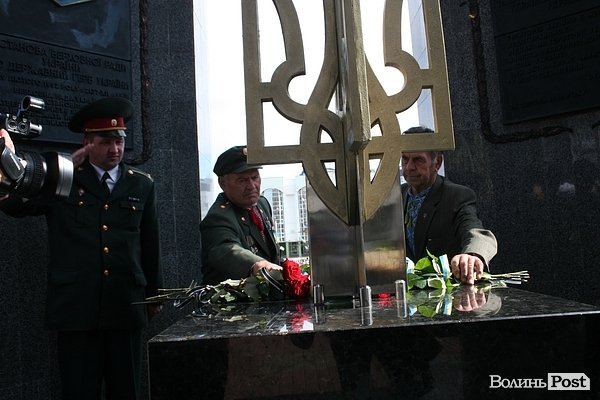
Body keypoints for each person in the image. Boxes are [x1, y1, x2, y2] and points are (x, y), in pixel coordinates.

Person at [0, 97, 162, 400]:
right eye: (106, 142)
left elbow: (150, 244)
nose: (115, 149)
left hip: (125, 305)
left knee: (126, 389)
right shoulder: (64, 178)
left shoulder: (141, 184)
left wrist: (154, 296)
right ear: (87, 143)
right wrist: (46, 173)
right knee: (79, 391)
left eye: (119, 141)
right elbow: (15, 207)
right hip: (77, 309)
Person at [401, 126, 497, 284]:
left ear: (437, 162)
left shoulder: (457, 196)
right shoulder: (394, 197)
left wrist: (472, 255)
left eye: (418, 160)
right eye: (405, 159)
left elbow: (475, 231)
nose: (409, 167)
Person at [200, 145, 282, 285]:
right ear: (223, 183)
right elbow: (228, 250)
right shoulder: (218, 217)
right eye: (242, 180)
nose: (251, 186)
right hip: (232, 296)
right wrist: (258, 265)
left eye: (254, 177)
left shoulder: (262, 204)